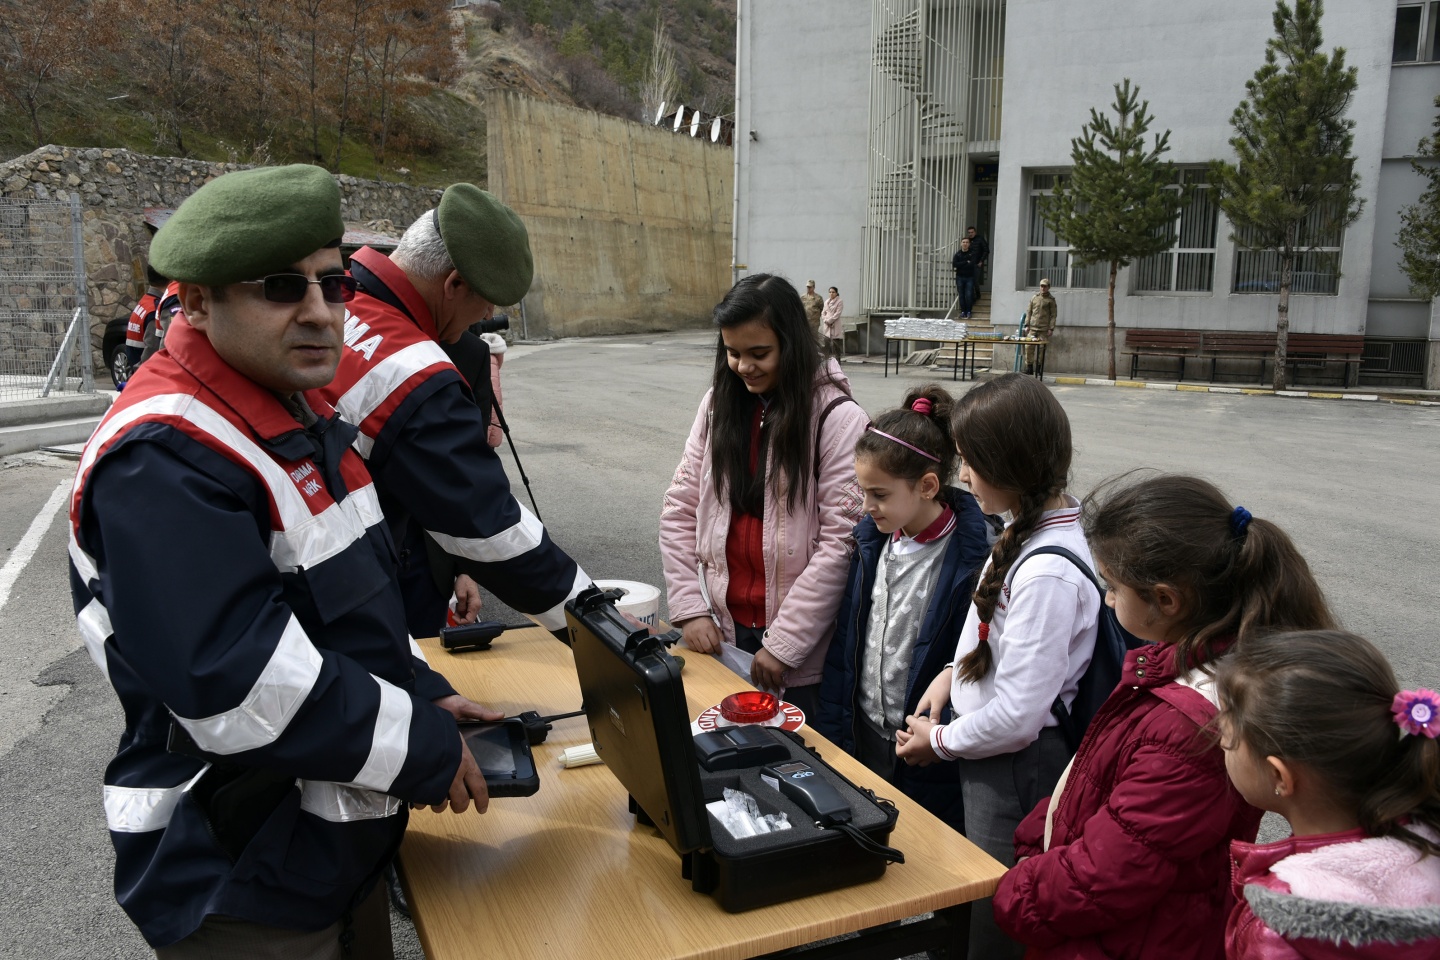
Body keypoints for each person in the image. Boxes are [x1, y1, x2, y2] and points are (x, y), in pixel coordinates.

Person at [68, 164, 498, 958]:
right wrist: (423, 748)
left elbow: (351, 602)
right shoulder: (165, 459)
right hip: (239, 875)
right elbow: (238, 684)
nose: (318, 314)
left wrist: (423, 693)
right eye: (278, 288)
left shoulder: (297, 408)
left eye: (332, 286)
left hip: (320, 853)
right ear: (195, 300)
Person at [991, 475, 1337, 960]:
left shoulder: (1187, 727)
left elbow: (1108, 873)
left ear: (1166, 600)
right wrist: (1037, 842)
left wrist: (1016, 891)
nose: (1107, 600)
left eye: (1112, 588)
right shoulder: (1184, 668)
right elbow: (1099, 787)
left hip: (1137, 938)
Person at [318, 186, 590, 642]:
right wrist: (600, 624)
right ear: (454, 284)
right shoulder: (413, 374)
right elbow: (487, 524)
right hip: (359, 601)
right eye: (485, 303)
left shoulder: (337, 306)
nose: (485, 316)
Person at [894, 372, 1100, 960]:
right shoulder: (1022, 531)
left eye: (971, 462)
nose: (962, 475)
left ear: (1013, 465)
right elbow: (984, 627)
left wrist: (941, 740)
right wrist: (948, 677)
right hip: (989, 753)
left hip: (1015, 766)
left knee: (997, 915)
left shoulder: (1047, 574)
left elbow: (1017, 717)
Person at [659, 273, 869, 719]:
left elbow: (841, 542)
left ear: (791, 345)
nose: (744, 367)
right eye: (733, 353)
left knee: (796, 766)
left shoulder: (837, 417)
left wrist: (785, 643)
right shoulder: (720, 405)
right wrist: (690, 609)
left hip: (802, 650)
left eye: (760, 354)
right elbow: (679, 509)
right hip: (724, 632)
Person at [816, 384, 993, 831]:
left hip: (928, 746)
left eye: (878, 494)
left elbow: (975, 661)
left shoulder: (974, 558)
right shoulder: (871, 542)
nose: (865, 506)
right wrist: (836, 730)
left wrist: (941, 733)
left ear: (928, 486)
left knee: (927, 851)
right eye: (863, 492)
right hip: (867, 732)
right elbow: (848, 642)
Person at [1218, 630, 1440, 959]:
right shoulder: (1425, 840)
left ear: (1278, 775)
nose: (1219, 741)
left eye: (1226, 736)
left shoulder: (1280, 927)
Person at [122, 266, 165, 372]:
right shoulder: (154, 310)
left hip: (137, 369)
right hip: (147, 375)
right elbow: (152, 349)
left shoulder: (145, 302)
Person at [1025, 279, 1057, 375]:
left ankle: (1039, 368)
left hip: (1043, 329)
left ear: (1048, 287)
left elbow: (1053, 315)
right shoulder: (1034, 298)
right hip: (1033, 327)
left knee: (1041, 349)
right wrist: (1027, 325)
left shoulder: (1051, 300)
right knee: (1028, 347)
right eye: (1041, 286)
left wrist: (1051, 328)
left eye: (1045, 286)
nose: (1043, 288)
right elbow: (1029, 312)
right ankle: (1029, 367)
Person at [951, 238, 981, 320]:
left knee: (969, 295)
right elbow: (954, 264)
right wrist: (965, 262)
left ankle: (969, 311)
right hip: (960, 277)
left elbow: (971, 264)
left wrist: (962, 264)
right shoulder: (958, 254)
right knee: (961, 295)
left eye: (967, 242)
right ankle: (963, 311)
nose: (965, 244)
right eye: (963, 242)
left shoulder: (972, 254)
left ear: (969, 244)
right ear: (961, 244)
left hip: (969, 277)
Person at [820, 285, 844, 361]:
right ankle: (826, 363)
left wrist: (830, 320)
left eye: (833, 292)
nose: (831, 293)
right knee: (826, 346)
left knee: (836, 346)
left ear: (836, 293)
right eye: (830, 292)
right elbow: (823, 313)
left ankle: (838, 362)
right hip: (827, 325)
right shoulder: (826, 302)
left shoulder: (839, 301)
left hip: (835, 325)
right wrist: (825, 321)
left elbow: (837, 313)